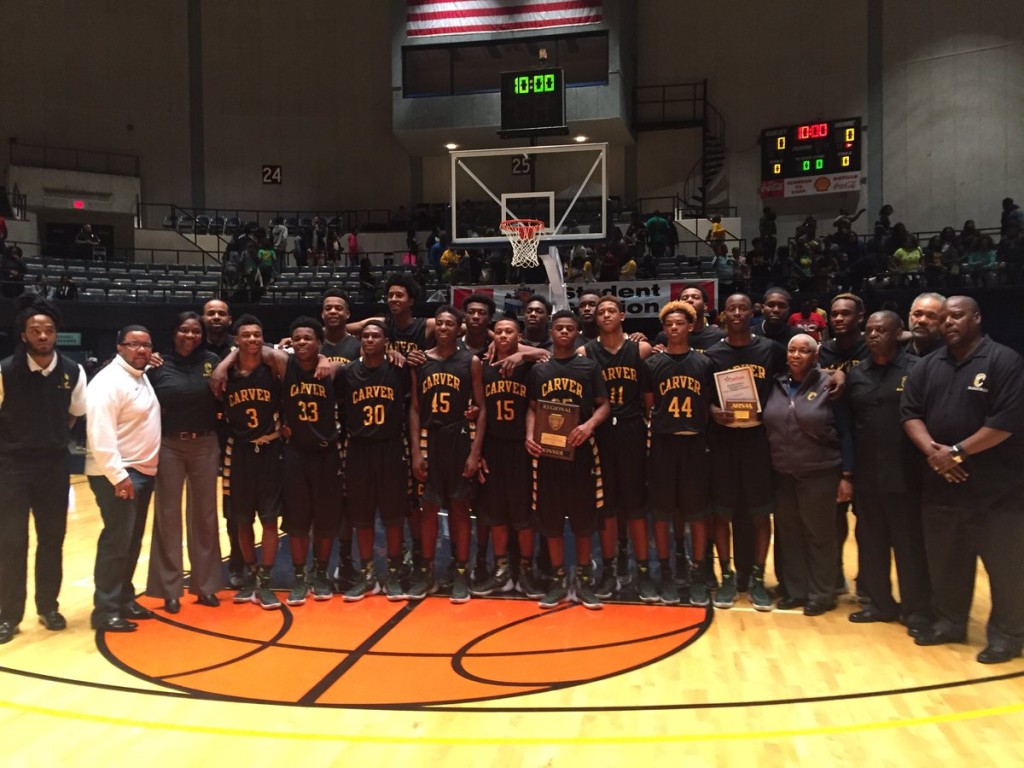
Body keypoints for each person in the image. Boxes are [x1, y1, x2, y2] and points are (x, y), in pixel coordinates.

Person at [901, 296, 1024, 664]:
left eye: (957, 316)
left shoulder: (1004, 360)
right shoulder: (927, 366)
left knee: (1005, 569)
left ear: (977, 317)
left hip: (997, 490)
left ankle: (1007, 636)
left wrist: (956, 452)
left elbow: (1007, 421)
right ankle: (950, 622)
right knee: (946, 563)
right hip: (941, 487)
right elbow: (909, 414)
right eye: (945, 318)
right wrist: (934, 454)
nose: (949, 322)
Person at [0, 301, 87, 644]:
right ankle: (8, 615)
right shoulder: (5, 370)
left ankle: (48, 606)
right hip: (12, 467)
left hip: (54, 465)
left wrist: (51, 438)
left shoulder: (72, 371)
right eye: (35, 330)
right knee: (11, 542)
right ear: (23, 334)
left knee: (52, 539)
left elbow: (74, 414)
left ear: (56, 333)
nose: (42, 335)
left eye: (48, 330)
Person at [845, 311, 932, 632]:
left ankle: (916, 610)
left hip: (906, 476)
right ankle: (880, 603)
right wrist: (849, 475)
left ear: (898, 334)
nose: (873, 335)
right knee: (870, 544)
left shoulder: (917, 370)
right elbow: (848, 427)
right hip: (868, 477)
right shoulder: (857, 374)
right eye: (868, 330)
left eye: (881, 330)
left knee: (909, 547)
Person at [704, 294, 786, 610]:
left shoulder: (770, 349)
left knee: (760, 512)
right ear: (724, 314)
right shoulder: (713, 355)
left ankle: (756, 577)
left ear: (752, 312)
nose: (737, 312)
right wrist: (713, 410)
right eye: (731, 308)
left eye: (742, 308)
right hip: (724, 441)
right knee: (721, 512)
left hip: (758, 441)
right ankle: (726, 575)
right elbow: (706, 399)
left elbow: (790, 384)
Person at [764, 334, 853, 616]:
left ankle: (821, 593)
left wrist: (847, 475)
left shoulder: (830, 385)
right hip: (782, 472)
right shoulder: (774, 385)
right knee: (789, 534)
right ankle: (795, 590)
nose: (797, 355)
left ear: (816, 356)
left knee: (819, 535)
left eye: (804, 351)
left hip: (820, 471)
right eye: (792, 349)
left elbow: (846, 431)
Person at [526, 310, 610, 609]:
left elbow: (604, 405)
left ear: (577, 333)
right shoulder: (539, 370)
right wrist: (529, 435)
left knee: (584, 520)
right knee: (550, 520)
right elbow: (533, 408)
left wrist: (588, 426)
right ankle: (559, 579)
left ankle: (584, 579)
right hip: (548, 455)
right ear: (552, 331)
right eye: (559, 328)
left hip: (582, 453)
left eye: (569, 328)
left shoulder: (588, 367)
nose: (564, 332)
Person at [407, 306, 486, 603]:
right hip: (430, 437)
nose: (443, 327)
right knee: (428, 508)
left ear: (459, 328)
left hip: (459, 437)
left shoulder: (471, 362)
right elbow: (414, 408)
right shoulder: (422, 362)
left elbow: (482, 408)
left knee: (459, 508)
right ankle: (427, 572)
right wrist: (415, 450)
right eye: (439, 323)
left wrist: (475, 452)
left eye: (449, 323)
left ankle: (461, 574)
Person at [86, 325, 162, 632]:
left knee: (130, 542)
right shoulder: (108, 382)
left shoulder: (139, 375)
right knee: (117, 542)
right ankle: (105, 609)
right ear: (119, 347)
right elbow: (99, 435)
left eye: (146, 345)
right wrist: (118, 476)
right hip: (120, 474)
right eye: (134, 344)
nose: (141, 350)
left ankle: (123, 598)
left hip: (140, 472)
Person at [146, 312, 223, 613]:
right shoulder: (159, 363)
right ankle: (169, 590)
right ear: (174, 332)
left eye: (195, 331)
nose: (190, 336)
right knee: (167, 517)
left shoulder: (212, 361)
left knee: (204, 516)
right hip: (169, 445)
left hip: (205, 443)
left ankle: (205, 586)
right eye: (183, 330)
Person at [582, 296, 656, 600]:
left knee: (636, 505)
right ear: (595, 319)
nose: (606, 315)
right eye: (601, 312)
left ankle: (641, 570)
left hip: (633, 430)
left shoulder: (640, 348)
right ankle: (610, 569)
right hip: (601, 435)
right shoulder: (585, 352)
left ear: (622, 316)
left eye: (611, 310)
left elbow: (649, 400)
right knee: (607, 506)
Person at [643, 300, 716, 606]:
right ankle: (667, 573)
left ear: (690, 326)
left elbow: (711, 405)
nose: (674, 328)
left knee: (696, 513)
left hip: (695, 445)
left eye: (680, 323)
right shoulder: (652, 365)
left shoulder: (704, 363)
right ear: (664, 329)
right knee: (661, 513)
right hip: (663, 444)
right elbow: (649, 404)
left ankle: (698, 574)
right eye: (669, 324)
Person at [337, 320, 410, 602]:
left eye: (375, 336)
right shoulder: (347, 373)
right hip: (358, 449)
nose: (369, 340)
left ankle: (392, 574)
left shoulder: (399, 370)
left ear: (385, 341)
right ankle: (368, 575)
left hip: (391, 448)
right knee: (362, 518)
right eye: (365, 336)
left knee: (393, 517)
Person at [470, 315, 539, 597]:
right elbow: (477, 411)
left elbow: (549, 355)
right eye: (498, 331)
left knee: (523, 516)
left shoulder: (531, 368)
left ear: (518, 336)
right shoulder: (482, 368)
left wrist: (523, 357)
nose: (503, 336)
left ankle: (525, 570)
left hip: (520, 449)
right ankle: (501, 572)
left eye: (509, 331)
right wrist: (479, 451)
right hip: (494, 447)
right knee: (496, 515)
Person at [219, 315, 282, 609]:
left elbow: (286, 359)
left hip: (269, 451)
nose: (253, 340)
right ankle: (251, 574)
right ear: (237, 340)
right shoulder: (227, 375)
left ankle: (266, 580)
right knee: (241, 520)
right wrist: (226, 362)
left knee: (269, 520)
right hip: (239, 453)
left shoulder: (273, 370)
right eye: (246, 336)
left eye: (258, 335)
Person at [903, 293, 945, 358]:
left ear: (943, 321)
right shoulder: (894, 352)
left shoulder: (953, 355)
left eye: (931, 316)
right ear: (909, 317)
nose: (922, 320)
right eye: (917, 314)